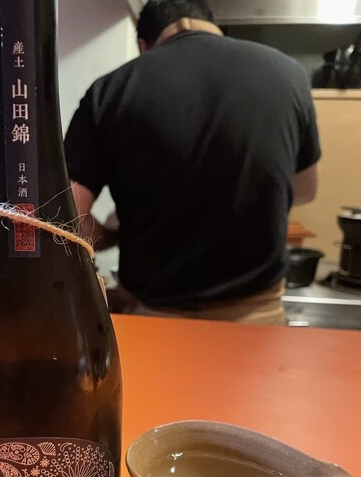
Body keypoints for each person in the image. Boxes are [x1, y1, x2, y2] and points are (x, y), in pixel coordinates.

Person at [64, 0, 321, 325]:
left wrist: (115, 233)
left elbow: (66, 215)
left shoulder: (111, 88)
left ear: (143, 44)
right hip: (257, 319)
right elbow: (306, 190)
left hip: (154, 319)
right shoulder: (289, 74)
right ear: (212, 25)